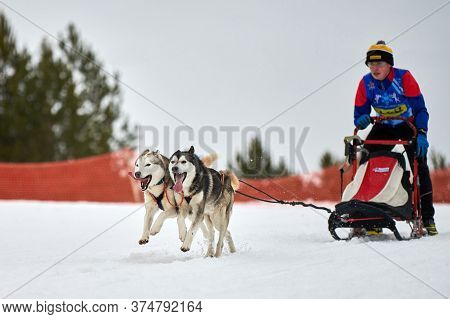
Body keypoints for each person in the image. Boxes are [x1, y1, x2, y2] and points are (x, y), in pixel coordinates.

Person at [353, 40, 437, 235]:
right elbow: (359, 114)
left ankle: (427, 218)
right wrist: (362, 120)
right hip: (384, 126)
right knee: (368, 161)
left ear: (389, 64)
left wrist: (422, 133)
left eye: (379, 64)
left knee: (420, 165)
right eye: (371, 64)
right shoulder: (366, 83)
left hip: (408, 125)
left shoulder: (404, 77)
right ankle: (371, 217)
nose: (375, 68)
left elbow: (421, 109)